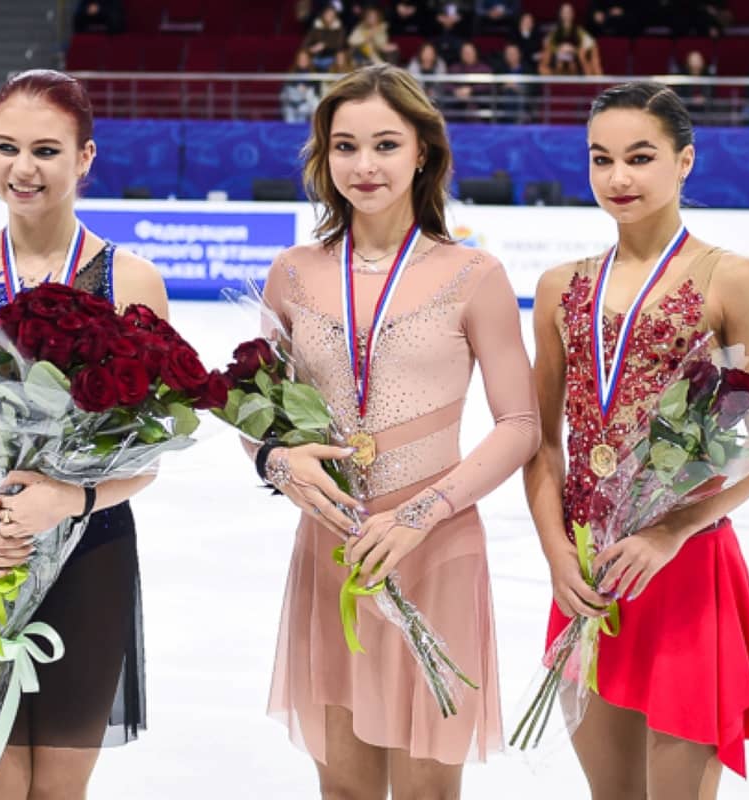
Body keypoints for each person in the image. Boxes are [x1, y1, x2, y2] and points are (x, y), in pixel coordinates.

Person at [254, 63, 540, 799]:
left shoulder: (473, 274)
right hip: (329, 547)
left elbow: (519, 425)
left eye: (385, 144)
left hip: (434, 549)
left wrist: (419, 515)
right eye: (344, 146)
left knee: (425, 793)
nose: (364, 165)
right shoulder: (290, 273)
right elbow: (261, 418)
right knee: (344, 791)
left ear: (423, 153)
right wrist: (279, 462)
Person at [0, 69, 166, 797]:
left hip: (91, 556)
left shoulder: (128, 281)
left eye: (46, 150)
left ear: (85, 157)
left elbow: (149, 454)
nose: (22, 169)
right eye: (6, 147)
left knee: (56, 791)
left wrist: (69, 501)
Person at [524, 81, 749, 798]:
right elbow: (543, 445)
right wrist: (555, 556)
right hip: (585, 573)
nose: (617, 178)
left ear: (684, 161)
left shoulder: (731, 278)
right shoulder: (557, 287)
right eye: (600, 158)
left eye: (639, 157)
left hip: (683, 569)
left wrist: (669, 532)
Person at [541, 2, 602, 76]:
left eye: (569, 12)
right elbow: (548, 44)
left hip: (576, 63)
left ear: (573, 14)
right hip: (557, 63)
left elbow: (591, 43)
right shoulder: (554, 32)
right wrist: (559, 49)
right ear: (560, 14)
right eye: (564, 12)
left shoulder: (579, 31)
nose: (567, 14)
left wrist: (573, 49)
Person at [281, 48, 320, 123]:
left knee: (312, 100)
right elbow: (285, 90)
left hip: (306, 104)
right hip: (291, 104)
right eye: (301, 58)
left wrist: (306, 89)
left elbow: (316, 92)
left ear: (309, 60)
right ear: (297, 60)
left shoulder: (314, 73)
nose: (303, 60)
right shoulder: (292, 73)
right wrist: (297, 87)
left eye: (305, 58)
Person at [302, 5, 347, 70]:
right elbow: (305, 43)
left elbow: (339, 45)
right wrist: (311, 49)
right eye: (327, 14)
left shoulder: (339, 29)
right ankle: (305, 78)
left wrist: (324, 45)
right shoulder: (316, 28)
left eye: (332, 15)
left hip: (332, 57)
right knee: (303, 56)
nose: (329, 16)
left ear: (335, 16)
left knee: (340, 56)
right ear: (323, 15)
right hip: (316, 57)